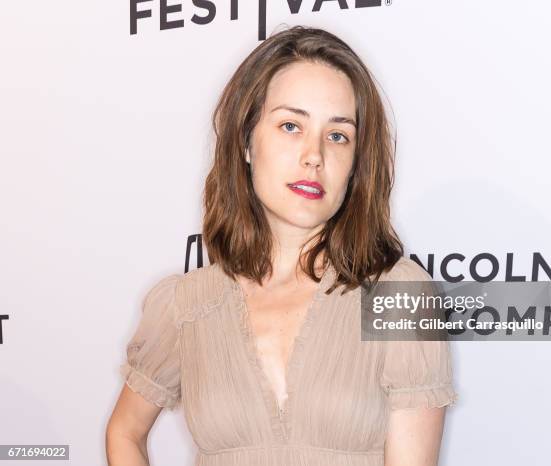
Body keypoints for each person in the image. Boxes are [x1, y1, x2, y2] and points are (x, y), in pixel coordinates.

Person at [106, 25, 458, 466]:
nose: (314, 155)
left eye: (338, 135)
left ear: (356, 162)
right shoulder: (186, 304)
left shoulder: (400, 295)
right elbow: (125, 432)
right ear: (247, 141)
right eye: (291, 126)